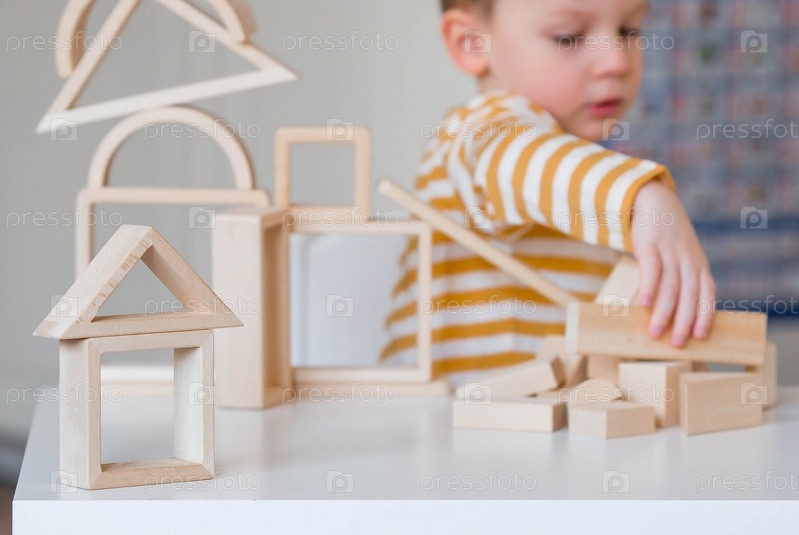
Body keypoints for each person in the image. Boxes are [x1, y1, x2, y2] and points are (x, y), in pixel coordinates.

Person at [381, 0, 715, 384]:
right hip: (448, 413)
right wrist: (640, 197)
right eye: (568, 37)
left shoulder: (584, 172)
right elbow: (518, 159)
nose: (617, 62)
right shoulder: (482, 130)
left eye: (628, 31)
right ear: (471, 42)